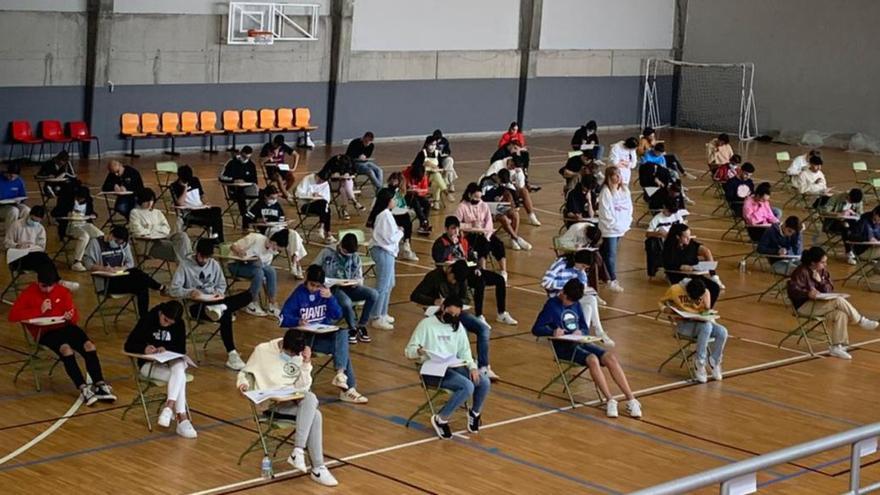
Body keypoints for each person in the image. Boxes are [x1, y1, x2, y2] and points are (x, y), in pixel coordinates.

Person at [236, 329, 338, 487]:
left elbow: (303, 387)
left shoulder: (299, 355)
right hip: (272, 406)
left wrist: (306, 363)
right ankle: (317, 467)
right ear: (283, 344)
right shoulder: (263, 351)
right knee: (315, 415)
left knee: (310, 398)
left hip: (292, 401)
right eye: (290, 354)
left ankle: (300, 452)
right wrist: (243, 384)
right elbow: (245, 373)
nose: (292, 357)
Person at [532, 279, 642, 418]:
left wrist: (581, 332)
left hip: (579, 341)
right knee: (593, 359)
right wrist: (552, 332)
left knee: (610, 357)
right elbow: (536, 329)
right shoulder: (551, 305)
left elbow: (584, 326)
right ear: (563, 294)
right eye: (569, 301)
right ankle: (610, 399)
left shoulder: (576, 304)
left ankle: (631, 399)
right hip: (564, 347)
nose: (571, 304)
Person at [9, 265, 116, 405]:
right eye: (43, 286)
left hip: (65, 326)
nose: (47, 290)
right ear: (38, 282)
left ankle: (100, 384)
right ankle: (83, 388)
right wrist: (38, 310)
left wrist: (70, 315)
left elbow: (74, 315)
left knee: (89, 346)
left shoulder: (62, 291)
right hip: (46, 331)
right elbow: (13, 315)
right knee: (66, 350)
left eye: (50, 286)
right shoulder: (29, 293)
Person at [279, 265, 369, 404]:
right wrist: (297, 321)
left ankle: (340, 375)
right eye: (312, 285)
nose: (314, 288)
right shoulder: (298, 294)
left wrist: (331, 298)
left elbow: (337, 314)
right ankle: (347, 388)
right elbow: (282, 318)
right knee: (342, 351)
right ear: (306, 281)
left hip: (321, 334)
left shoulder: (325, 294)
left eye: (317, 286)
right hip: (305, 339)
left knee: (342, 334)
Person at [405, 296, 490, 439]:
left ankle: (474, 413)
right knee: (467, 386)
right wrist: (419, 351)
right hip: (433, 370)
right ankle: (441, 419)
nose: (454, 317)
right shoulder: (426, 324)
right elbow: (409, 351)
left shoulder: (458, 327)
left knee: (484, 381)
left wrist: (473, 367)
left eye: (457, 315)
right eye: (451, 314)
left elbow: (465, 351)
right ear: (443, 308)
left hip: (453, 366)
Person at [168, 238, 252, 370]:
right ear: (197, 253)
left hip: (214, 300)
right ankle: (232, 354)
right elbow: (173, 289)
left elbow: (222, 284)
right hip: (196, 305)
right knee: (226, 315)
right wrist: (189, 292)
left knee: (248, 295)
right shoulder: (185, 265)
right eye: (202, 257)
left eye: (207, 257)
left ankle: (221, 307)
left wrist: (217, 293)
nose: (204, 260)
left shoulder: (214, 264)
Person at [410, 260, 499, 380]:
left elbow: (466, 299)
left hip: (458, 312)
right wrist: (433, 301)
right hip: (440, 313)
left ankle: (483, 366)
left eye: (457, 281)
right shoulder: (434, 277)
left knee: (483, 329)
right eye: (454, 278)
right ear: (449, 270)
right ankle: (463, 364)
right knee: (461, 332)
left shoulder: (461, 278)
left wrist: (456, 303)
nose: (454, 282)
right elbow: (415, 296)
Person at [787, 246, 878, 360]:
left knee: (840, 314)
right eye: (823, 262)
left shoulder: (822, 271)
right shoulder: (800, 271)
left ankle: (837, 347)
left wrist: (820, 282)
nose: (825, 264)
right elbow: (792, 290)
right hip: (804, 306)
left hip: (819, 304)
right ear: (813, 262)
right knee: (838, 300)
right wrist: (807, 294)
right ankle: (861, 321)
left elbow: (829, 289)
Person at [123, 300, 197, 438]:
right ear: (160, 313)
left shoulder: (179, 324)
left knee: (179, 367)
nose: (166, 324)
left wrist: (166, 349)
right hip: (148, 365)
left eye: (170, 323)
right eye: (165, 320)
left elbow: (181, 349)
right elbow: (128, 345)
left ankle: (169, 408)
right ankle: (182, 418)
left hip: (168, 362)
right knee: (180, 378)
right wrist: (144, 348)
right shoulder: (147, 319)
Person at [432, 216, 517, 326]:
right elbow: (438, 258)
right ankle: (479, 315)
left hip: (469, 270)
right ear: (446, 229)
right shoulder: (440, 243)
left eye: (457, 228)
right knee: (479, 282)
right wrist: (452, 245)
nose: (455, 231)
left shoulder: (463, 241)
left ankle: (501, 313)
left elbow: (472, 257)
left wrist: (477, 267)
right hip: (455, 274)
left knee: (499, 279)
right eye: (453, 228)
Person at [83, 225, 165, 318]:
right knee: (141, 282)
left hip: (121, 276)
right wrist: (104, 268)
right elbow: (88, 264)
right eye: (117, 241)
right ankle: (159, 288)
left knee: (139, 278)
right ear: (111, 235)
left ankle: (144, 317)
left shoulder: (124, 244)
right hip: (107, 281)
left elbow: (130, 263)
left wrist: (120, 268)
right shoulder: (96, 243)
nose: (118, 244)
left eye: (120, 243)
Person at [659, 277, 728, 383]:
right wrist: (665, 309)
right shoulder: (675, 290)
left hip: (700, 323)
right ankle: (699, 362)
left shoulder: (704, 292)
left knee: (722, 331)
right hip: (684, 325)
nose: (695, 301)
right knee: (707, 327)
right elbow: (661, 302)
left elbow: (707, 310)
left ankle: (714, 360)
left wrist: (707, 307)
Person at [313, 233, 378, 344]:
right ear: (341, 245)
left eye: (350, 253)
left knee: (373, 294)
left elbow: (359, 276)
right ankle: (352, 328)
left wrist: (356, 282)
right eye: (345, 252)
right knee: (346, 303)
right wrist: (323, 281)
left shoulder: (355, 256)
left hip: (350, 286)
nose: (347, 255)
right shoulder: (327, 252)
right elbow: (313, 269)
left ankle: (361, 325)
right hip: (333, 288)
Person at [541, 250, 613, 346]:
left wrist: (581, 286)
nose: (583, 269)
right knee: (591, 300)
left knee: (589, 304)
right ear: (578, 260)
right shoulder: (561, 264)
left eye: (585, 268)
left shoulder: (580, 271)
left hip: (572, 296)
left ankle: (582, 335)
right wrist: (566, 285)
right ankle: (598, 331)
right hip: (559, 297)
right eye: (583, 266)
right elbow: (545, 282)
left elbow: (582, 284)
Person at [456, 183, 513, 280]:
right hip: (470, 234)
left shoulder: (484, 205)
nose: (478, 200)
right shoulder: (462, 206)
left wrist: (487, 235)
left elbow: (489, 221)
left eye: (479, 197)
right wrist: (469, 225)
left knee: (498, 244)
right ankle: (483, 270)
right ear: (470, 195)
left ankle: (503, 271)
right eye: (476, 197)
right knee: (483, 245)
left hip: (485, 233)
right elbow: (456, 223)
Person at [229, 230, 288, 318]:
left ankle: (272, 304)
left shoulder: (270, 253)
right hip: (236, 264)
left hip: (254, 267)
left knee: (271, 270)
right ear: (273, 242)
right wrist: (240, 251)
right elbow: (233, 246)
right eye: (276, 249)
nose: (276, 252)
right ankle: (252, 302)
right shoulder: (256, 238)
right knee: (258, 272)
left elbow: (265, 274)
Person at [368, 188, 403, 330]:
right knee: (382, 285)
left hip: (388, 252)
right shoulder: (384, 216)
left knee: (390, 283)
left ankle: (383, 312)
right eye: (393, 199)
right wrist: (400, 233)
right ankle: (376, 316)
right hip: (383, 251)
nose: (395, 201)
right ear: (388, 201)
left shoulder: (387, 214)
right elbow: (389, 238)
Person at [663, 223, 724, 301]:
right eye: (686, 237)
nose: (689, 238)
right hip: (679, 277)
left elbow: (700, 251)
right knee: (699, 289)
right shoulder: (669, 248)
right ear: (677, 237)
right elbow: (667, 264)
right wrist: (680, 267)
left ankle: (707, 309)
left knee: (714, 288)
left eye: (689, 236)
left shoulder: (690, 244)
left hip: (694, 275)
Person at [366, 172, 418, 261]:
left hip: (387, 224)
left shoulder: (395, 193)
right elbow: (390, 238)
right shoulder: (385, 193)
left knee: (406, 220)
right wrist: (399, 232)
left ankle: (406, 244)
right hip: (384, 246)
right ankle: (404, 246)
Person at [597, 166, 632, 293]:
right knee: (611, 255)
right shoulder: (605, 192)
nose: (618, 177)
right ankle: (612, 279)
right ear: (609, 177)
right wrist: (614, 224)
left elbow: (629, 207)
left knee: (605, 253)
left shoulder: (624, 190)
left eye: (619, 175)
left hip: (621, 227)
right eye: (615, 175)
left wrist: (626, 222)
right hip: (610, 229)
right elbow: (605, 212)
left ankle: (601, 275)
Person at [171, 165, 225, 243]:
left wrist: (206, 203)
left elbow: (202, 195)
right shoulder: (174, 186)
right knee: (216, 219)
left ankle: (215, 236)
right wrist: (185, 188)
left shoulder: (195, 180)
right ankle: (217, 239)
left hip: (200, 208)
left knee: (217, 210)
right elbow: (180, 203)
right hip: (190, 212)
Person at [483, 153, 541, 226]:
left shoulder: (517, 170)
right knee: (507, 193)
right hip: (494, 188)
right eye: (512, 165)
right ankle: (511, 214)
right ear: (510, 160)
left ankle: (532, 216)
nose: (513, 168)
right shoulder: (497, 164)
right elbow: (488, 177)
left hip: (508, 186)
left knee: (524, 191)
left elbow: (520, 185)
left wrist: (518, 174)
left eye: (515, 167)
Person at [54, 184, 101, 272]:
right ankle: (77, 262)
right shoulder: (67, 200)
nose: (80, 200)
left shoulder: (89, 201)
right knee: (84, 236)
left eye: (82, 199)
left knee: (99, 235)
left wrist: (93, 215)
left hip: (84, 223)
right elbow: (55, 213)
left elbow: (91, 212)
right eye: (78, 198)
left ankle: (94, 258)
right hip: (71, 225)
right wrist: (67, 214)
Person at [645, 197, 687, 278]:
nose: (671, 214)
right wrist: (657, 234)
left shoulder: (676, 215)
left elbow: (683, 228)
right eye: (669, 212)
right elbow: (647, 234)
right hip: (664, 243)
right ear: (664, 207)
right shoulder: (657, 218)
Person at [820, 188, 864, 265]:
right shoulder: (837, 197)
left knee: (860, 227)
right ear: (848, 196)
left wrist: (854, 213)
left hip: (851, 222)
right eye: (851, 201)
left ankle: (859, 251)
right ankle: (849, 252)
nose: (852, 203)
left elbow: (860, 214)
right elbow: (824, 211)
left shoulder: (858, 201)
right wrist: (838, 214)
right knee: (845, 227)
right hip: (834, 222)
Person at [220, 146, 260, 227]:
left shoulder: (251, 165)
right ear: (241, 153)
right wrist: (233, 180)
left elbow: (254, 180)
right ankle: (245, 217)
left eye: (247, 157)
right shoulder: (231, 162)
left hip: (247, 188)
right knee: (241, 196)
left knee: (262, 194)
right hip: (234, 189)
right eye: (244, 157)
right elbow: (221, 177)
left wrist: (246, 182)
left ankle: (253, 214)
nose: (245, 159)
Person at [294, 170, 336, 243]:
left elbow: (327, 199)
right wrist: (311, 194)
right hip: (305, 205)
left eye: (322, 182)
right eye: (319, 180)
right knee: (326, 208)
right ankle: (326, 232)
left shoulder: (325, 184)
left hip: (319, 206)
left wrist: (320, 196)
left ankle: (322, 227)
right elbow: (298, 193)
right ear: (317, 176)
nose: (320, 182)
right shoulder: (307, 179)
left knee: (325, 205)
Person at [412, 135, 453, 208]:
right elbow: (414, 165)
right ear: (427, 144)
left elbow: (441, 166)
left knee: (437, 178)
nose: (432, 146)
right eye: (431, 144)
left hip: (434, 177)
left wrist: (440, 169)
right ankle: (446, 194)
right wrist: (426, 165)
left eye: (434, 145)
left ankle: (436, 202)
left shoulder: (437, 154)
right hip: (423, 178)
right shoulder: (422, 153)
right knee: (438, 178)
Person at [318, 154, 362, 218]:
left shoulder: (349, 160)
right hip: (336, 183)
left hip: (347, 182)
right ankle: (354, 201)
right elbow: (324, 175)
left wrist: (349, 174)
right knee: (343, 189)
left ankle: (345, 210)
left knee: (344, 187)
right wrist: (335, 176)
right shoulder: (331, 163)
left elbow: (355, 172)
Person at [260, 135, 299, 200]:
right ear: (274, 142)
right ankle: (287, 196)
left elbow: (296, 155)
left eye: (279, 146)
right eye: (277, 145)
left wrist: (294, 167)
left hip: (282, 168)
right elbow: (260, 161)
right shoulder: (267, 147)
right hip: (271, 169)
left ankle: (282, 193)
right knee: (278, 177)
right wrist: (269, 157)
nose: (278, 147)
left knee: (292, 178)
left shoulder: (283, 146)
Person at [402, 159, 433, 235]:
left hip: (417, 195)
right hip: (406, 197)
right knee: (415, 202)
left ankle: (423, 224)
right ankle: (424, 222)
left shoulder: (423, 176)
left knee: (427, 204)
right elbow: (401, 190)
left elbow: (425, 190)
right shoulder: (404, 175)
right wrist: (408, 190)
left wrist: (418, 191)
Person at [0, 162, 30, 229]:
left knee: (27, 210)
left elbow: (23, 196)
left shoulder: (19, 181)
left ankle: (23, 233)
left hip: (14, 204)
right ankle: (10, 235)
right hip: (1, 207)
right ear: (6, 173)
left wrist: (20, 200)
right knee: (13, 211)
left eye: (14, 177)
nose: (12, 178)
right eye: (10, 176)